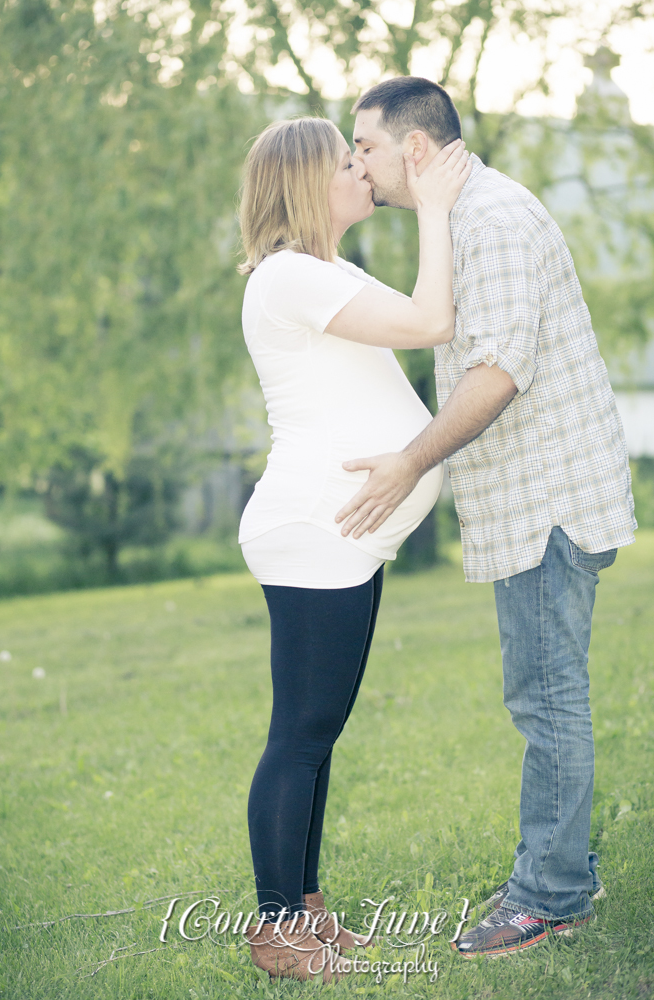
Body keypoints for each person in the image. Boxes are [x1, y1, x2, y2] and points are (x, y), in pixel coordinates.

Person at [334, 76, 637, 958]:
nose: (359, 163)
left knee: (546, 700)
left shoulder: (493, 224)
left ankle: (548, 895)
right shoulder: (465, 219)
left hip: (546, 502)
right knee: (546, 695)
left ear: (415, 150)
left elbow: (496, 373)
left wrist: (410, 462)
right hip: (533, 500)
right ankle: (561, 874)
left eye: (367, 148)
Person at [236, 116, 471, 981]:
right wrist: (436, 208)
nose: (361, 174)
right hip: (313, 529)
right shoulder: (293, 275)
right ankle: (274, 933)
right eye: (347, 163)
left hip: (345, 536)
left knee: (316, 733)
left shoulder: (325, 272)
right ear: (307, 183)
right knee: (298, 735)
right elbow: (432, 321)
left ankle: (303, 910)